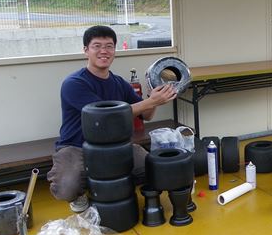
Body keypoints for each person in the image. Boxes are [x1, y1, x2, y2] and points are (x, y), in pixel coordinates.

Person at [47, 25, 177, 213]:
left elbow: (146, 115)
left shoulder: (119, 83)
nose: (104, 51)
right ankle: (81, 193)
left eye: (109, 46)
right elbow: (103, 117)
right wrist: (151, 101)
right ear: (86, 50)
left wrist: (153, 95)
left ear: (114, 50)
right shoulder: (74, 83)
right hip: (76, 147)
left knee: (155, 170)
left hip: (116, 146)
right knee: (67, 188)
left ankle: (115, 187)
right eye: (97, 46)